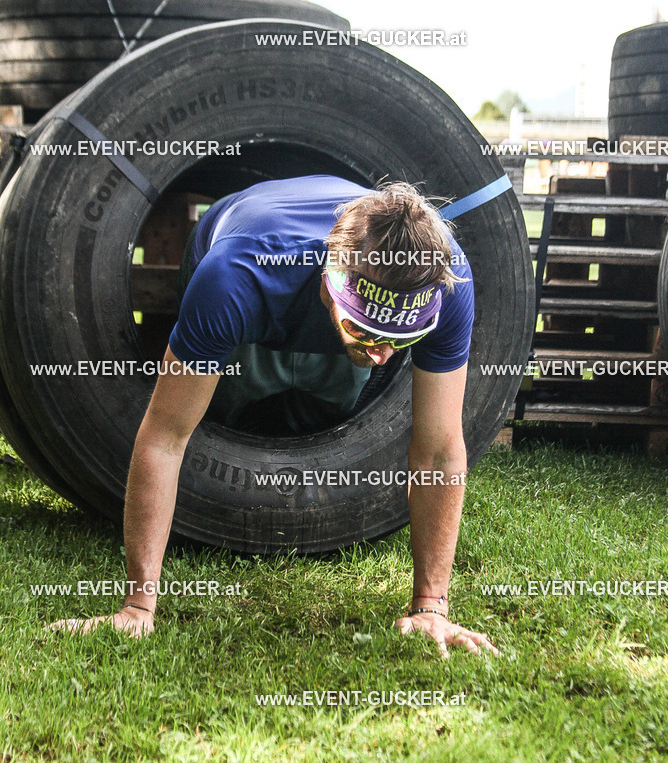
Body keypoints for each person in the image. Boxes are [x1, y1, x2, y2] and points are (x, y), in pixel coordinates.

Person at [51, 175, 498, 657]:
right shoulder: (233, 277)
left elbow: (437, 453)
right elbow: (165, 436)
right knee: (227, 402)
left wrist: (431, 607)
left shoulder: (447, 280)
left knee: (330, 402)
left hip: (311, 305)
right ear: (330, 282)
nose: (385, 354)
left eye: (402, 339)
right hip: (253, 277)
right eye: (365, 330)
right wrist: (138, 607)